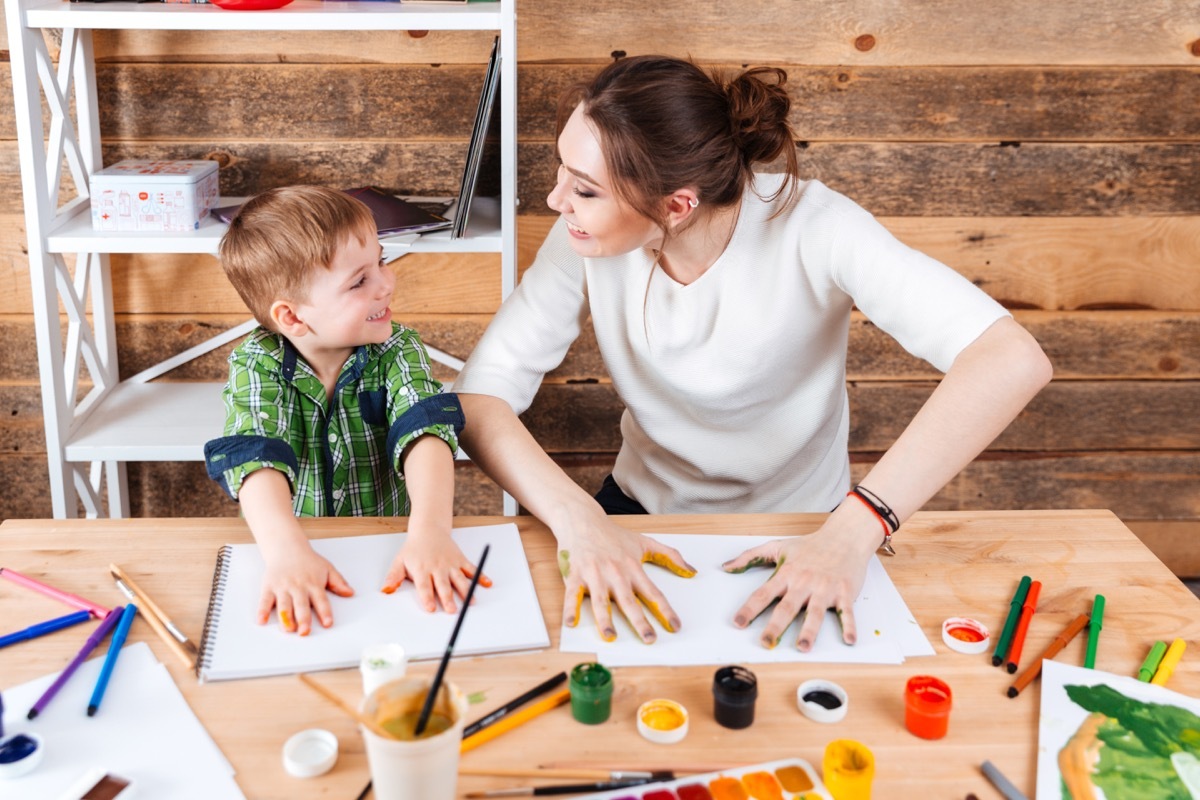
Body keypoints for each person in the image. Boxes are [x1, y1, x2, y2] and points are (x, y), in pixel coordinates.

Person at [454, 56, 1052, 651]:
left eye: (584, 188)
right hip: (634, 512)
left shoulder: (818, 227)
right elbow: (481, 399)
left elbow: (1009, 359)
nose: (557, 200)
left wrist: (857, 527)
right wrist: (582, 520)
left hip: (810, 529)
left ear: (676, 206)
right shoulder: (578, 237)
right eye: (563, 172)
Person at [204, 186, 486, 636]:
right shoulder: (256, 364)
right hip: (295, 548)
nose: (386, 283)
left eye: (381, 262)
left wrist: (431, 532)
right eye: (359, 281)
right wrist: (285, 553)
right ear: (292, 318)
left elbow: (426, 433)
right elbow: (255, 456)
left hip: (391, 543)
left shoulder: (398, 349)